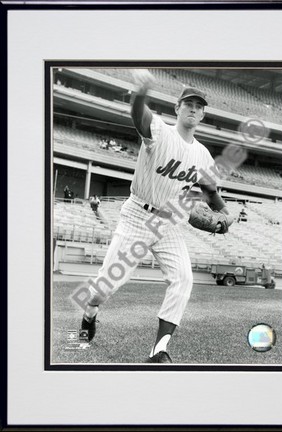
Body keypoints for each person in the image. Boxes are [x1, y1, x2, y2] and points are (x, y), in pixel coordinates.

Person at [81, 70, 234, 363]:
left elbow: (210, 191)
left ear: (203, 115)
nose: (193, 108)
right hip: (138, 215)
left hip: (170, 223)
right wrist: (140, 93)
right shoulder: (160, 132)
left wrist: (225, 212)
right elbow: (140, 116)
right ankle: (90, 312)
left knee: (184, 280)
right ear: (177, 108)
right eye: (188, 103)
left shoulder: (202, 154)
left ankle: (158, 350)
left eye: (199, 106)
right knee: (106, 286)